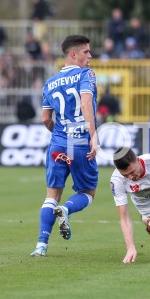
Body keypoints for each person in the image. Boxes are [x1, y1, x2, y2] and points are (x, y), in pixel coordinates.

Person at [30, 35, 98, 257]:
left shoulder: (49, 83)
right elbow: (86, 103)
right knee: (88, 192)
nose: (90, 56)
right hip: (80, 142)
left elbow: (45, 119)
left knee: (51, 195)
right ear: (73, 54)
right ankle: (66, 210)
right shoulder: (85, 74)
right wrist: (93, 134)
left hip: (58, 142)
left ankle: (41, 246)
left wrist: (60, 134)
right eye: (86, 52)